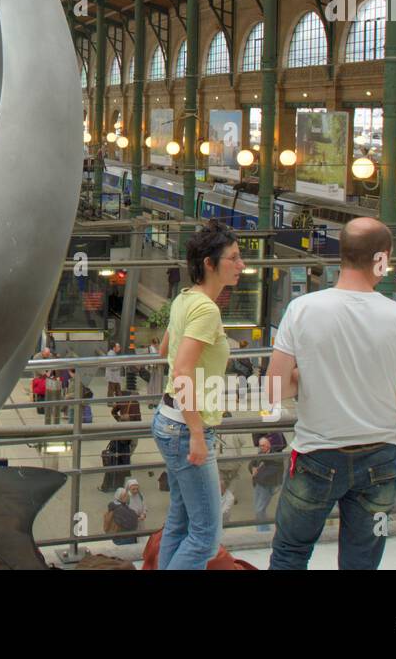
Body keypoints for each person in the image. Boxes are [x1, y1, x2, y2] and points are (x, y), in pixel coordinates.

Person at [265, 217, 396, 570]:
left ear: (341, 254)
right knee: (362, 562)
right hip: (382, 464)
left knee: (289, 554)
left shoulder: (303, 310)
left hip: (315, 459)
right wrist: (384, 383)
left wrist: (314, 375)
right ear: (382, 260)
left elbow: (275, 389)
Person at [151, 219, 245, 570]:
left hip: (167, 419)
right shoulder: (206, 308)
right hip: (186, 428)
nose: (241, 265)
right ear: (210, 263)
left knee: (179, 521)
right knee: (206, 537)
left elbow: (165, 350)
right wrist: (195, 434)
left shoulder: (185, 298)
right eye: (233, 258)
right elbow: (182, 370)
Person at [249, 435, 284, 532]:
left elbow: (272, 471)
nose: (261, 447)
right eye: (260, 446)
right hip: (259, 484)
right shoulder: (260, 453)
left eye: (263, 445)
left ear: (269, 445)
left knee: (259, 509)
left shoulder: (276, 457)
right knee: (258, 508)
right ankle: (261, 528)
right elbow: (252, 463)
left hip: (267, 485)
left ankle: (263, 530)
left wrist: (257, 473)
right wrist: (253, 469)